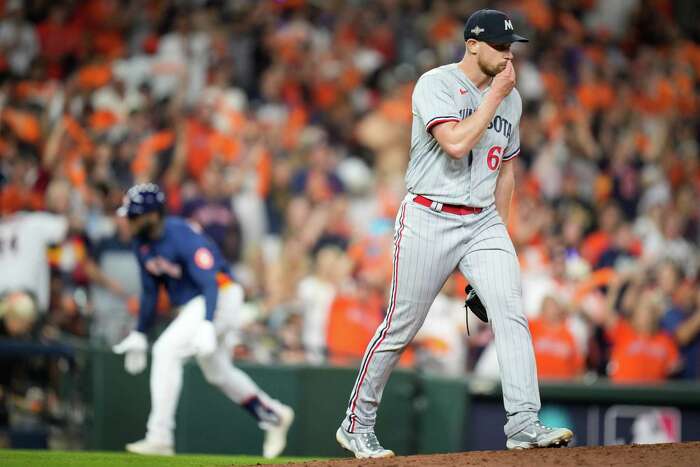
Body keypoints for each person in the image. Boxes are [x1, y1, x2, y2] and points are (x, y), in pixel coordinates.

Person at [335, 10, 573, 458]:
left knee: (511, 311)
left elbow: (506, 175)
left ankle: (522, 422)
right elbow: (457, 143)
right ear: (472, 45)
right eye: (500, 47)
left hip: (482, 219)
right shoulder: (436, 84)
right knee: (400, 327)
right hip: (429, 214)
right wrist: (497, 94)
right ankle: (356, 423)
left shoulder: (512, 100)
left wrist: (498, 244)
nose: (508, 56)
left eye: (511, 48)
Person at [112, 183, 294, 457]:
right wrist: (139, 332)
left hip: (221, 295)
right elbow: (150, 292)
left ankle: (159, 436)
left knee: (166, 350)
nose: (129, 220)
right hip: (198, 304)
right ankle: (274, 415)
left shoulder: (182, 234)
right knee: (217, 372)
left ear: (153, 215)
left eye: (134, 214)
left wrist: (208, 323)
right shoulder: (142, 242)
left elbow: (210, 283)